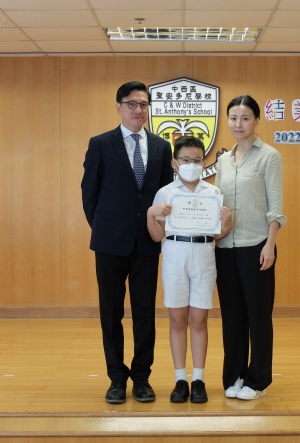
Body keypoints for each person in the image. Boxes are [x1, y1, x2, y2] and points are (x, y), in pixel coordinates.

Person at [81, 81, 174, 404]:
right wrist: (104, 228)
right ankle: (116, 379)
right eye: (132, 104)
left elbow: (166, 196)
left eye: (144, 104)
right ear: (119, 107)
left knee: (145, 313)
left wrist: (156, 230)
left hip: (147, 242)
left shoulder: (161, 147)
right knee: (111, 314)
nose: (138, 110)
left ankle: (142, 378)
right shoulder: (100, 144)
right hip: (109, 243)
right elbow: (89, 194)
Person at [147, 136, 232, 404]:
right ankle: (180, 379)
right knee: (177, 320)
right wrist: (151, 214)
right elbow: (157, 235)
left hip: (204, 254)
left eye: (197, 160)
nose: (192, 164)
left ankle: (198, 379)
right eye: (186, 159)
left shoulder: (213, 193)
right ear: (175, 163)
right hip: (174, 253)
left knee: (199, 320)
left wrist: (227, 225)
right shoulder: (165, 193)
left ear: (204, 163)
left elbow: (217, 234)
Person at [214, 95, 287, 401]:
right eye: (233, 118)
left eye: (245, 118)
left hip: (257, 245)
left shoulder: (269, 156)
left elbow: (276, 208)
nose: (238, 124)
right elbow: (216, 204)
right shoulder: (223, 160)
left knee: (257, 316)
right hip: (225, 248)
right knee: (232, 317)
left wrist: (270, 245)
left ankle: (257, 380)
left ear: (257, 120)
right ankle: (234, 375)